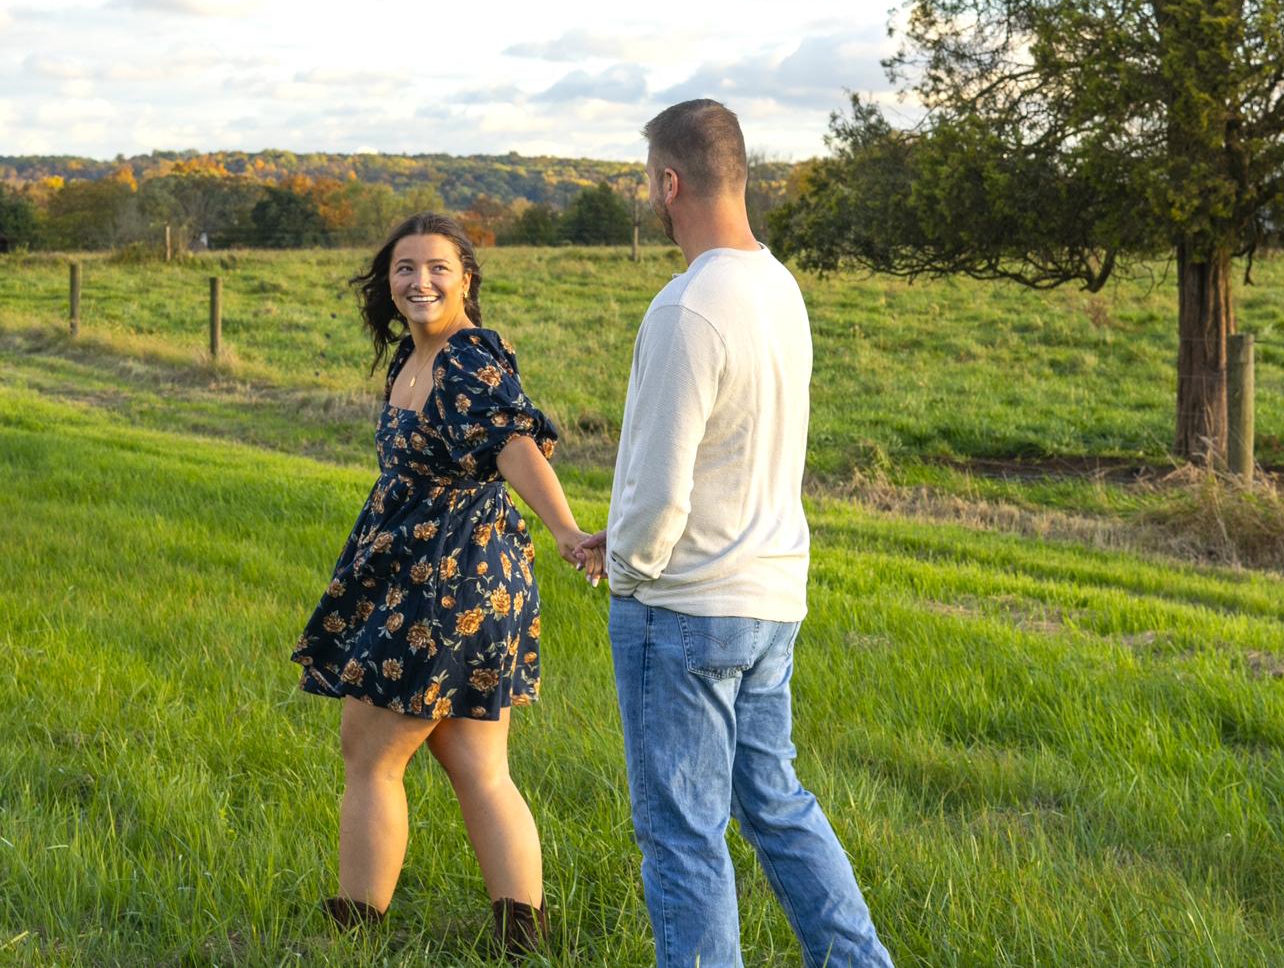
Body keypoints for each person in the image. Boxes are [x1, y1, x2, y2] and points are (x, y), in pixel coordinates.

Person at [578, 100, 894, 968]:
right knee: (776, 805)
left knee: (682, 833)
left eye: (649, 182)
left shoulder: (687, 305)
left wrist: (631, 565)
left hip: (685, 606)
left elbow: (662, 482)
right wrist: (627, 533)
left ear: (668, 183)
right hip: (769, 596)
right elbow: (732, 449)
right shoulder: (778, 287)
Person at [291, 212, 603, 957]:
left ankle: (355, 931)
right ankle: (521, 936)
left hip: (449, 580)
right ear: (388, 280)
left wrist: (567, 531)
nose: (420, 281)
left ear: (467, 278)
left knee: (371, 754)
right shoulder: (414, 353)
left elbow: (514, 445)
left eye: (437, 267)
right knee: (475, 764)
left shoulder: (467, 359)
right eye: (405, 268)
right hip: (441, 574)